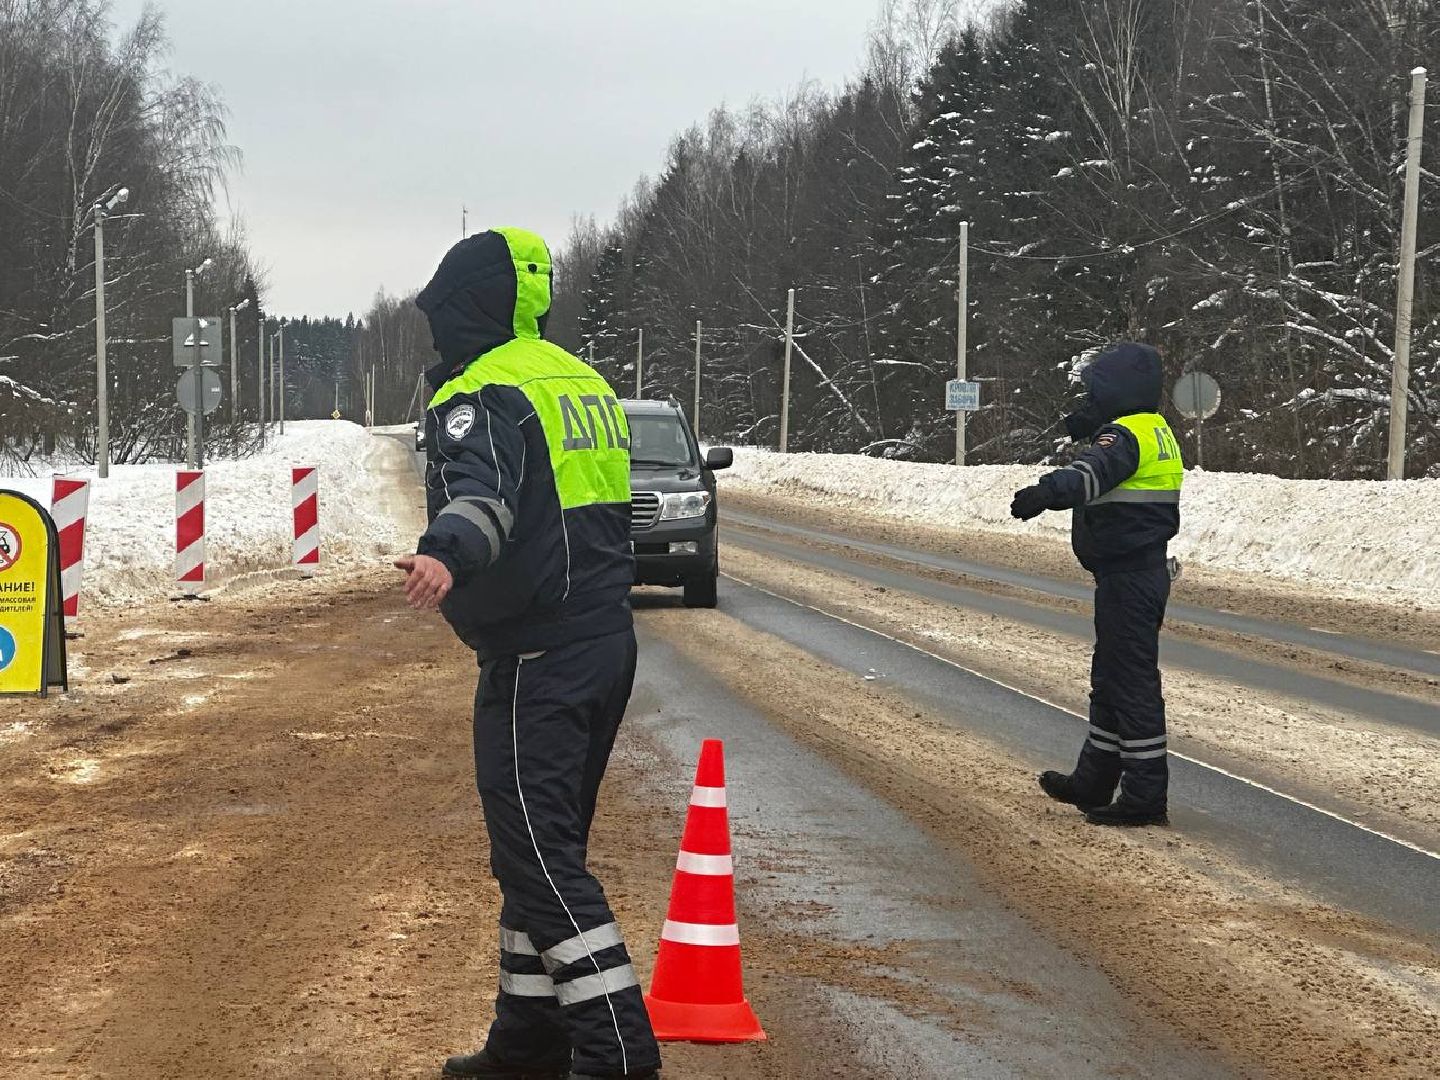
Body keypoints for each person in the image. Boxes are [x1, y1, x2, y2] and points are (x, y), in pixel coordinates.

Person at [395, 226, 661, 1080]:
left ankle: (617, 1051)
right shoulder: (579, 381)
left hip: (538, 656)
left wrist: (446, 550)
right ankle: (527, 1040)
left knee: (540, 858)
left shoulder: (487, 390)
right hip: (601, 640)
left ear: (468, 307)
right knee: (542, 850)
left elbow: (485, 494)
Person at [1009, 342, 1183, 827]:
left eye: (1097, 391)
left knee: (1131, 686)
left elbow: (1090, 476)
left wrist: (1043, 493)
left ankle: (1145, 797)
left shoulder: (1125, 437)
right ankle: (1094, 780)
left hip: (1131, 578)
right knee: (1110, 683)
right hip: (1131, 574)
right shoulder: (1151, 428)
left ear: (1118, 390)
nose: (1091, 399)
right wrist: (1088, 424)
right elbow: (1107, 452)